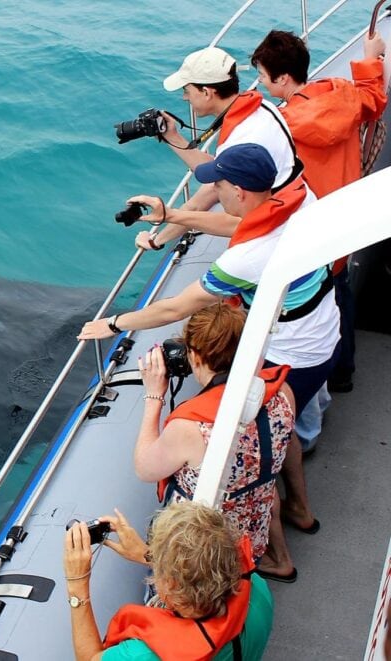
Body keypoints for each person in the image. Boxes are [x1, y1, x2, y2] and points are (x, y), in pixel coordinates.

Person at [78, 143, 336, 542]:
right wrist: (172, 215)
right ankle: (301, 507)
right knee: (283, 429)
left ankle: (280, 546)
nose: (214, 187)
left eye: (220, 183)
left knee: (258, 450)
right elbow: (240, 226)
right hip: (323, 333)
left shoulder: (246, 259)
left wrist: (114, 323)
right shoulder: (293, 202)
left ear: (241, 192)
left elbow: (175, 309)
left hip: (292, 355)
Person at [252, 29, 388, 396]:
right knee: (340, 293)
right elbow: (375, 99)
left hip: (308, 228)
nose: (262, 83)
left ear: (282, 79)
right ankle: (343, 372)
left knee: (314, 301)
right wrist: (371, 58)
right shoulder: (342, 94)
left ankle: (307, 379)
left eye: (264, 77)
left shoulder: (282, 126)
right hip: (345, 220)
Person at [133, 303, 296, 579]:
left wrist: (154, 397)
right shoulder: (282, 392)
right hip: (255, 524)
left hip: (210, 544)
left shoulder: (191, 427)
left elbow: (145, 469)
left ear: (194, 357)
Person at [132, 46, 312, 252]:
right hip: (300, 208)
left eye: (187, 91)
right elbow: (218, 172)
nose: (185, 98)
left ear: (207, 92)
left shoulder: (242, 139)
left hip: (281, 234)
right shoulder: (262, 108)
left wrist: (157, 237)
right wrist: (172, 136)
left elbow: (238, 221)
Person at [65, 502, 273, 660]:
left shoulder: (143, 655)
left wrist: (77, 585)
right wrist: (147, 556)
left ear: (171, 587)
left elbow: (90, 658)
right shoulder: (258, 590)